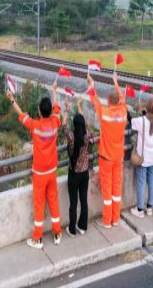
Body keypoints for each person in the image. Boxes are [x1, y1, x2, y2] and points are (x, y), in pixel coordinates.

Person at [7, 78, 62, 249]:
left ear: (39, 111)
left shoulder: (35, 125)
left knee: (39, 205)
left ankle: (37, 238)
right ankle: (57, 233)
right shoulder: (55, 123)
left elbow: (21, 115)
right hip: (52, 171)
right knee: (53, 201)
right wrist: (54, 90)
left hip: (39, 173)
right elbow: (57, 110)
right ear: (50, 112)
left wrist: (12, 99)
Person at [86, 72, 127, 228]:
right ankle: (115, 219)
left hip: (105, 157)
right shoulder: (123, 111)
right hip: (118, 157)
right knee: (117, 189)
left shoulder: (105, 113)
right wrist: (116, 82)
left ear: (109, 101)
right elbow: (122, 97)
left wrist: (91, 84)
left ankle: (107, 221)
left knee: (107, 191)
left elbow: (94, 99)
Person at [62, 96, 93, 237]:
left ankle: (72, 229)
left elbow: (63, 126)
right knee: (84, 200)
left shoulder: (72, 137)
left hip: (73, 173)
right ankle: (83, 226)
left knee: (73, 203)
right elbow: (86, 125)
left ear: (75, 125)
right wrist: (80, 107)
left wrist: (67, 110)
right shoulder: (87, 137)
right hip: (85, 173)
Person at [130, 97, 153, 218]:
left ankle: (140, 209)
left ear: (146, 108)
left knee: (141, 182)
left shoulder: (141, 120)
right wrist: (143, 110)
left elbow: (131, 121)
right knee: (151, 181)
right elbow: (149, 117)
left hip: (143, 158)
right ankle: (149, 207)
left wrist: (139, 111)